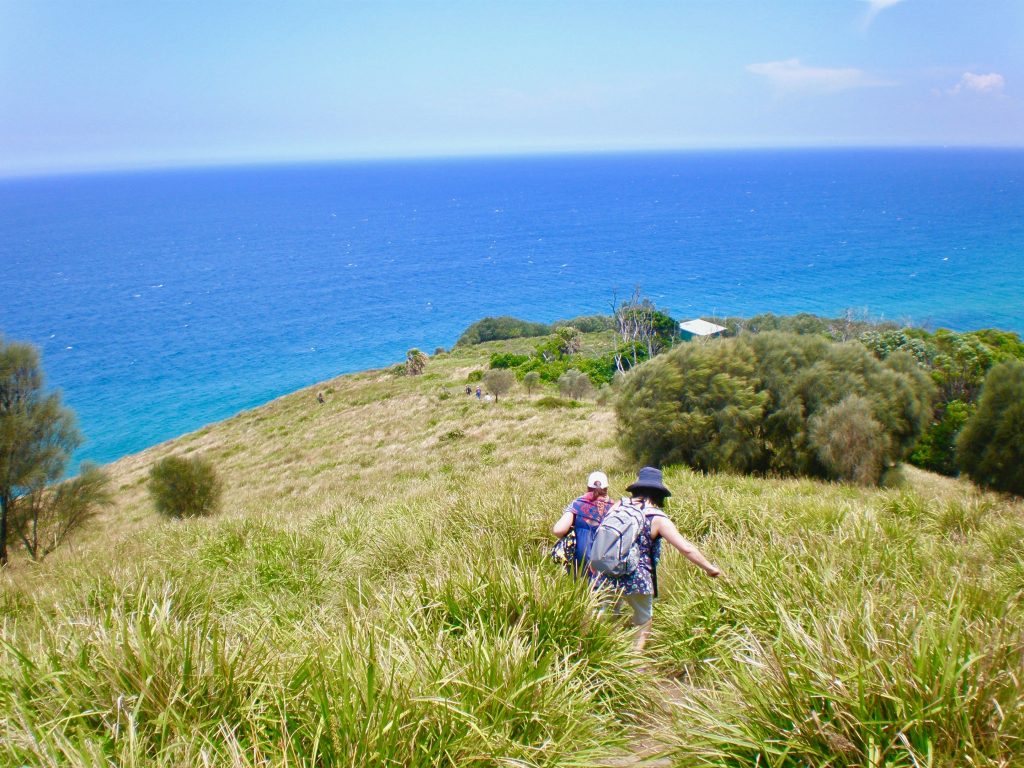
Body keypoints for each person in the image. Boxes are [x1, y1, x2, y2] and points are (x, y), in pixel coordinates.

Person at [595, 466, 720, 651]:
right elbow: (686, 548)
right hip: (637, 577)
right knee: (643, 619)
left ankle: (598, 652)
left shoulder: (618, 506)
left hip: (608, 571)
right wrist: (710, 568)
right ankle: (635, 660)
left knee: (604, 616)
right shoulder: (658, 517)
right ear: (658, 493)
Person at [552, 471, 615, 579]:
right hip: (606, 561)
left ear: (588, 487)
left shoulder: (578, 504)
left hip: (581, 560)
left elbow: (558, 530)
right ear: (606, 488)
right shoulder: (614, 507)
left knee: (581, 592)